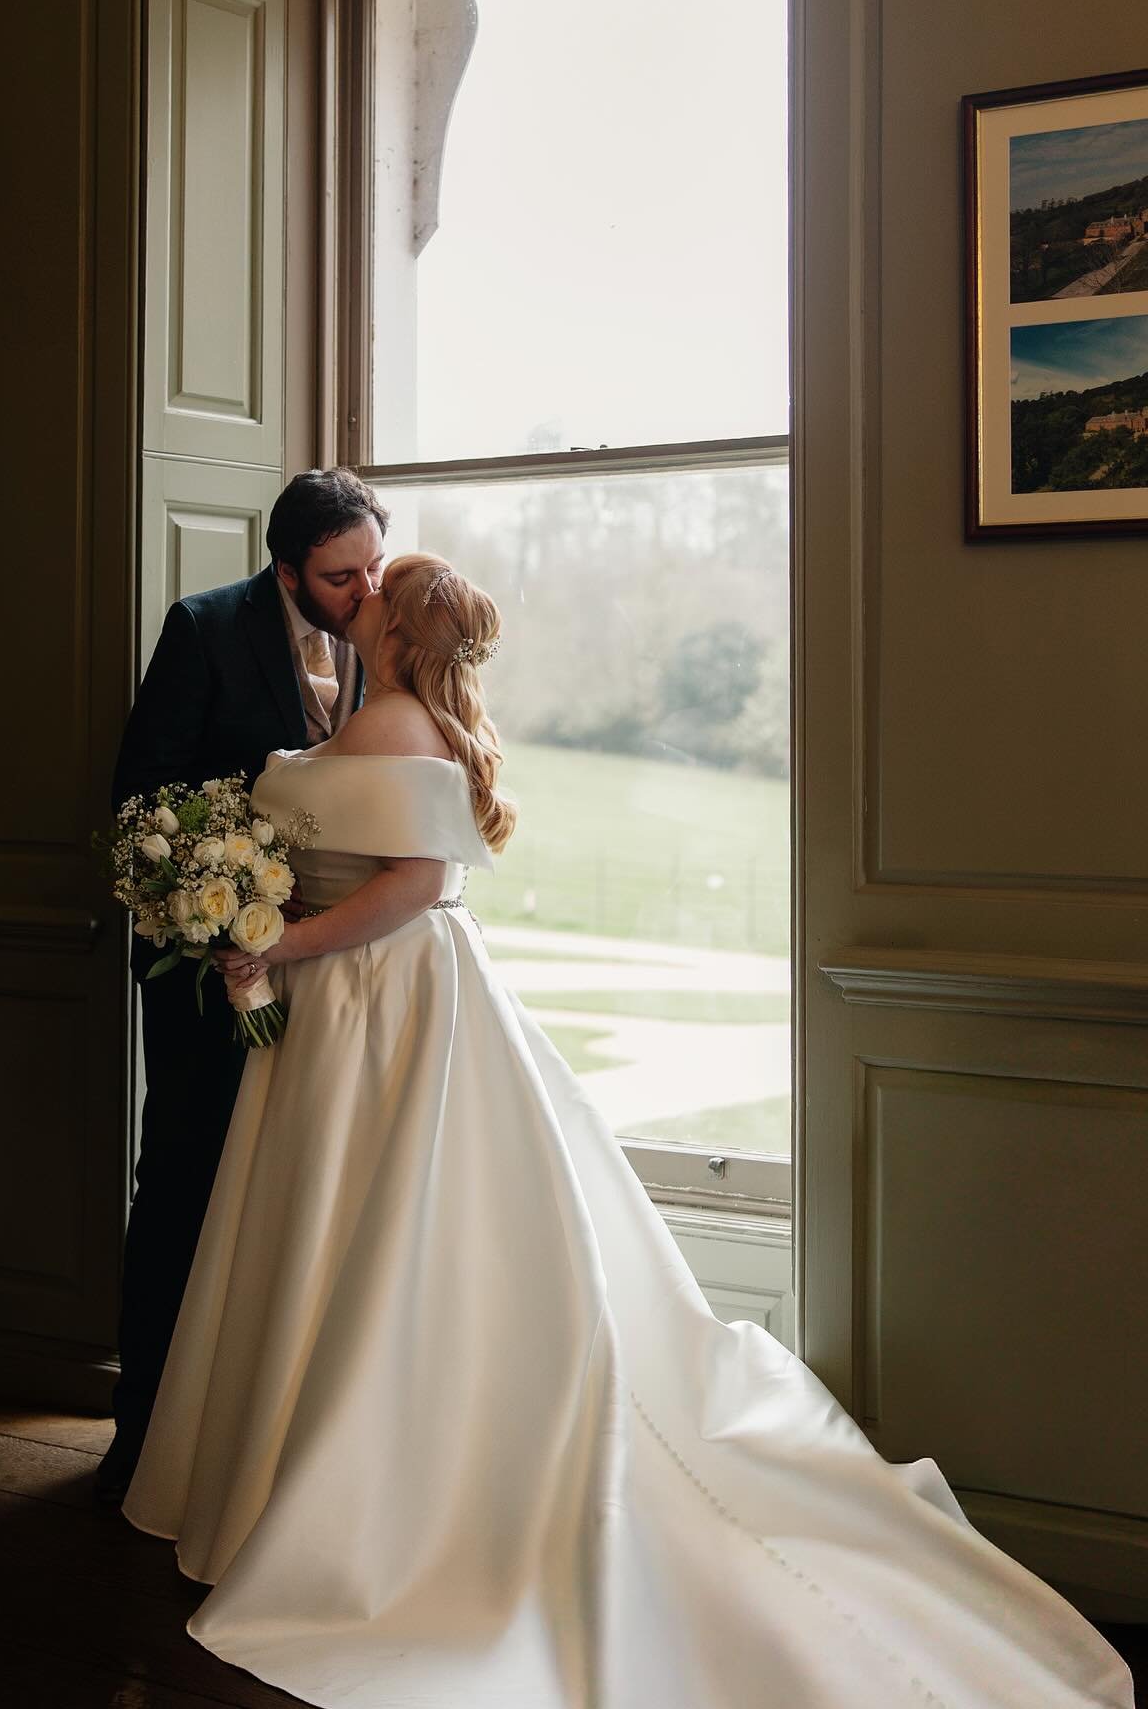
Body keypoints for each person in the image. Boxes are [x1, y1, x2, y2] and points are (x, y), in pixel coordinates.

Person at [121, 553, 1133, 1709]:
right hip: (379, 1000)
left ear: (396, 626)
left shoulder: (391, 725)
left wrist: (278, 941)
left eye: (373, 592)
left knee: (376, 1227)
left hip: (377, 996)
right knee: (367, 1230)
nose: (354, 603)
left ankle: (375, 1490)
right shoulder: (405, 718)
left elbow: (413, 880)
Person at [98, 468, 388, 1503]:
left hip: (327, 970)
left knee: (289, 1196)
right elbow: (145, 801)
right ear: (288, 567)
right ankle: (142, 1440)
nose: (361, 592)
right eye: (338, 575)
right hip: (203, 965)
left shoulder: (384, 642)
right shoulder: (205, 627)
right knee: (181, 1181)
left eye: (370, 568)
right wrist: (234, 933)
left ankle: (261, 1451)